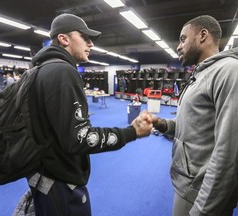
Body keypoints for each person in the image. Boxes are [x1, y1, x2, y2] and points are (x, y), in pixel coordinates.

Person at [27, 13, 153, 216]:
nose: (91, 43)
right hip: (60, 181)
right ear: (64, 39)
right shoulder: (62, 72)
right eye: (84, 37)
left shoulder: (39, 70)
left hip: (42, 174)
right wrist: (132, 132)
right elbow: (79, 139)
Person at [150, 15, 238, 215]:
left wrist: (202, 210)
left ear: (202, 35)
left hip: (202, 195)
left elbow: (230, 155)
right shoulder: (200, 75)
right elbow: (194, 126)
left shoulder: (232, 72)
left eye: (183, 39)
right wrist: (163, 124)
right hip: (187, 183)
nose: (178, 47)